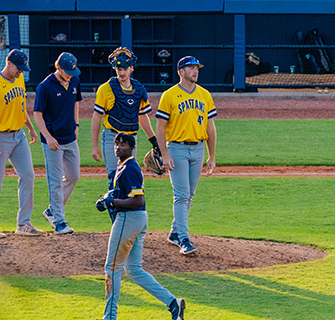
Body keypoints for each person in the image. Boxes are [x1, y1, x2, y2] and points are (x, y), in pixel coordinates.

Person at [87, 132, 185, 320]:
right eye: (117, 144)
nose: (119, 147)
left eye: (124, 144)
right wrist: (106, 199)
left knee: (111, 268)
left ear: (132, 148)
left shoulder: (130, 168)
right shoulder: (122, 167)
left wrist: (112, 202)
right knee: (134, 270)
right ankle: (173, 303)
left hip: (129, 219)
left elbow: (137, 200)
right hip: (138, 220)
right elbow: (119, 192)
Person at [155, 55, 218, 256]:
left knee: (189, 194)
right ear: (181, 71)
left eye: (197, 68)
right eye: (191, 68)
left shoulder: (204, 95)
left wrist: (212, 155)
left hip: (198, 148)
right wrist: (164, 154)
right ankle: (184, 238)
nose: (195, 71)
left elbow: (210, 126)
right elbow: (161, 126)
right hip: (176, 149)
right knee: (181, 195)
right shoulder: (170, 95)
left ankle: (175, 232)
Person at [0, 49, 42, 239]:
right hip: (0, 137)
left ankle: (24, 224)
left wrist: (30, 127)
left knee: (28, 176)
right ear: (9, 63)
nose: (21, 71)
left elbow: (20, 106)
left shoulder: (19, 79)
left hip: (18, 136)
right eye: (18, 68)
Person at [91, 47, 159, 188]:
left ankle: (127, 208)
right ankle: (114, 209)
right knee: (114, 177)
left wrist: (153, 140)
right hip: (112, 137)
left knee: (128, 175)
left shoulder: (139, 89)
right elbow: (97, 117)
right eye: (118, 69)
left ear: (132, 68)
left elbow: (142, 116)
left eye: (125, 68)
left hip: (131, 138)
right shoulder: (105, 89)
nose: (121, 72)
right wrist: (94, 145)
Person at [33, 52, 84, 235]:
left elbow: (76, 102)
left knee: (74, 176)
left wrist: (76, 124)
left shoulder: (74, 81)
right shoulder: (45, 87)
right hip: (52, 141)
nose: (71, 74)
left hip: (70, 138)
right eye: (68, 71)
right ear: (58, 68)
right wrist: (48, 137)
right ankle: (59, 222)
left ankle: (52, 210)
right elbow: (37, 114)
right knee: (55, 181)